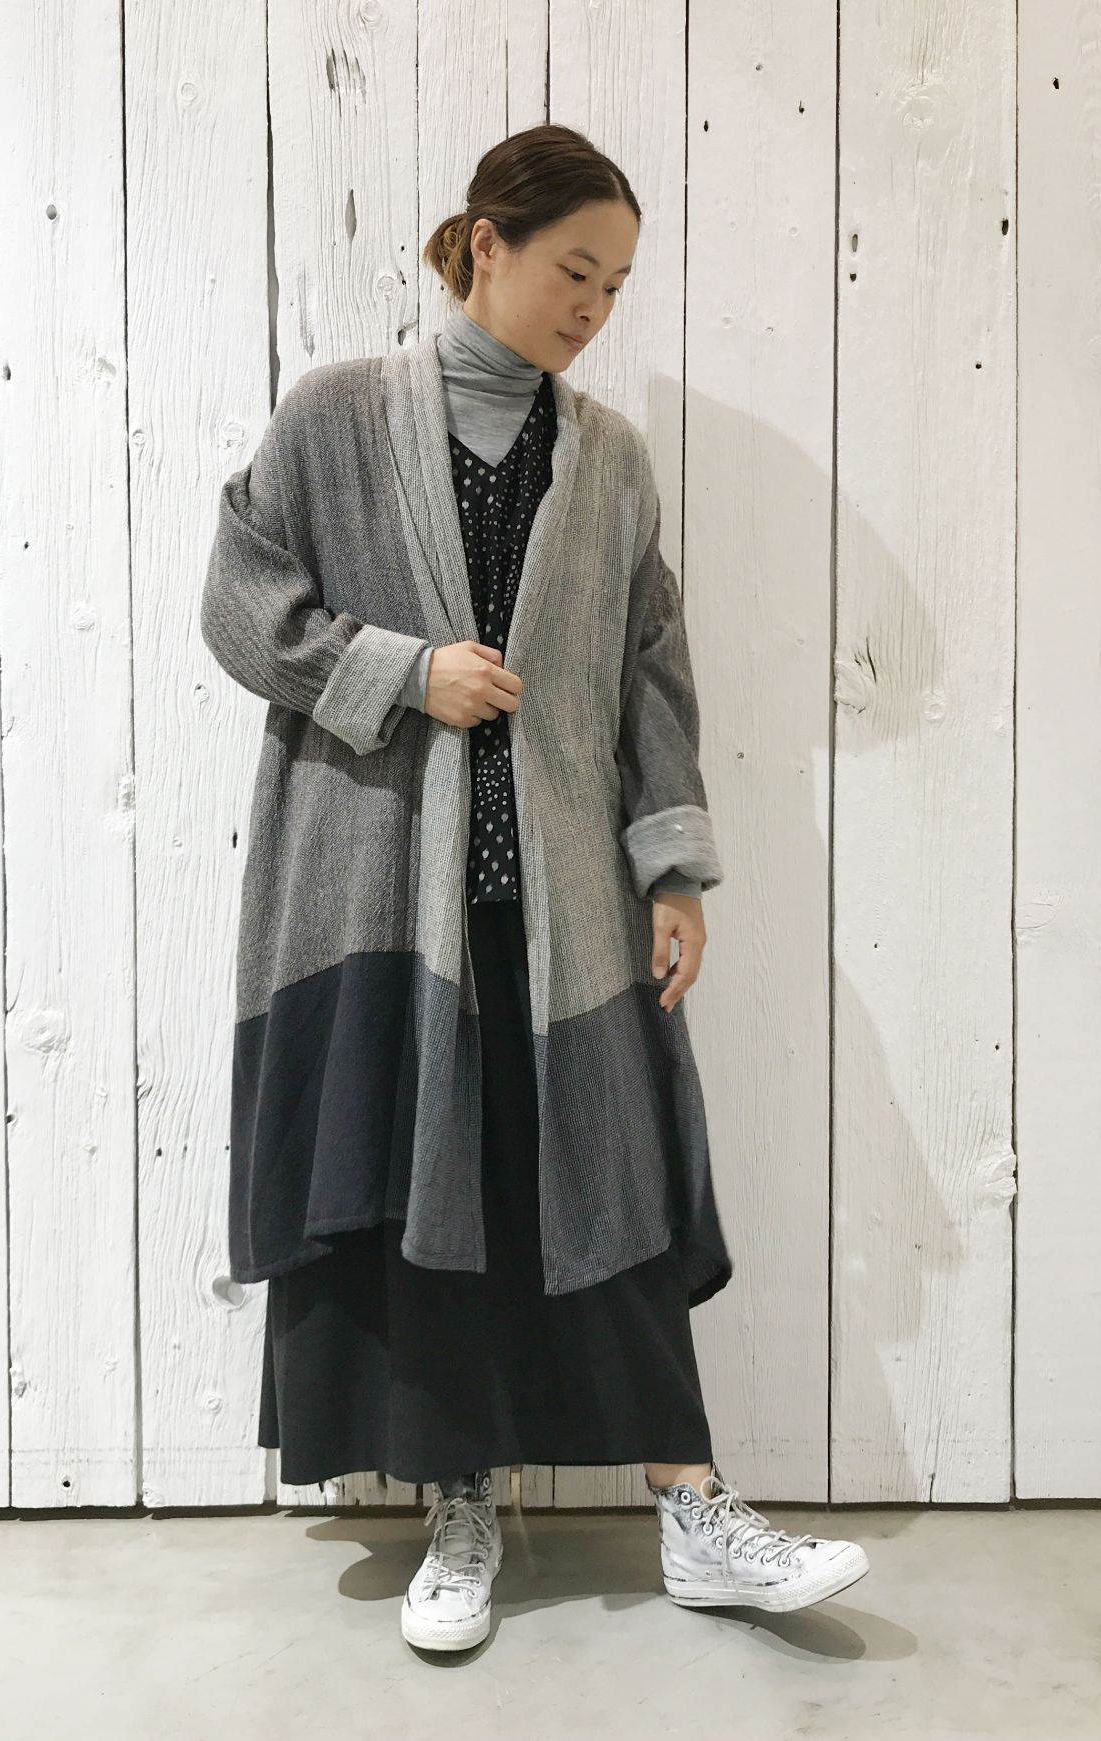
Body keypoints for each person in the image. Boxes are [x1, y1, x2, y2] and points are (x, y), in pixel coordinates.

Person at [201, 122, 869, 1654]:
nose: (593, 306)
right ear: (485, 243)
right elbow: (241, 601)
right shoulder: (334, 416)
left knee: (610, 1187)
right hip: (384, 889)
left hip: (564, 892)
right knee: (433, 1197)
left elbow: (650, 671)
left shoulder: (610, 457)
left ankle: (694, 1510)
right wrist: (402, 671)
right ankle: (462, 1508)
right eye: (576, 269)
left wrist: (673, 865)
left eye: (617, 285)